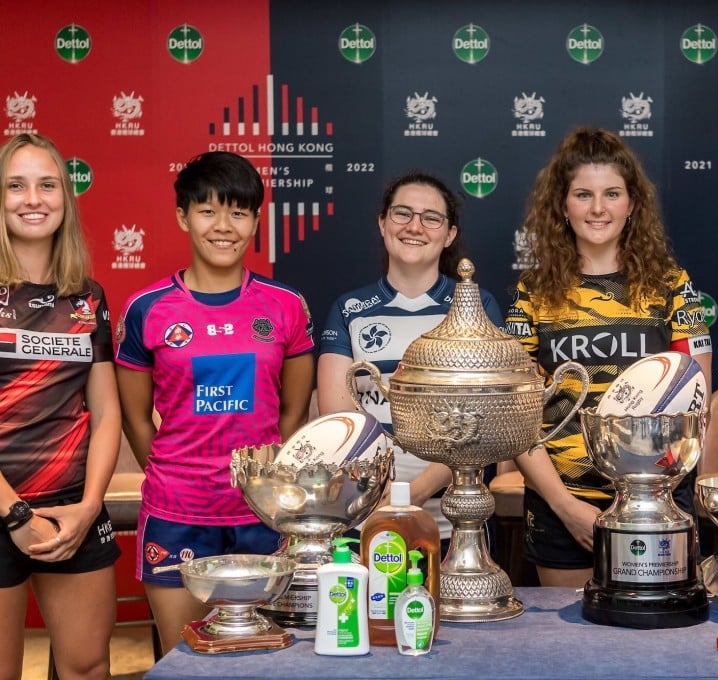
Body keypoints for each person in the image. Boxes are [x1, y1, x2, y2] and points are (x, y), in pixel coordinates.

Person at [115, 151, 314, 654]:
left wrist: (267, 485)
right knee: (185, 658)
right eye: (208, 211)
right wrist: (173, 476)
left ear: (255, 221)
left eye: (239, 213)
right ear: (183, 216)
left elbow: (293, 413)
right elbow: (136, 419)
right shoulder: (147, 309)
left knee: (265, 660)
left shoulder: (286, 306)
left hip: (261, 516)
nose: (223, 227)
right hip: (178, 511)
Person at [504, 127, 712, 588]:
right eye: (583, 194)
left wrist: (653, 498)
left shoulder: (671, 285)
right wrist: (565, 506)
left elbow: (696, 405)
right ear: (562, 205)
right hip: (562, 501)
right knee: (575, 650)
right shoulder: (532, 292)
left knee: (654, 646)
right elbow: (517, 414)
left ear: (632, 203)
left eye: (612, 194)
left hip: (656, 501)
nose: (598, 209)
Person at [317, 171, 504, 542]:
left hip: (456, 518)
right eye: (402, 213)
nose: (415, 226)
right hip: (366, 512)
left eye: (431, 217)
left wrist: (414, 492)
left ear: (449, 234)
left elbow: (489, 417)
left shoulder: (476, 306)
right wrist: (377, 494)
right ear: (382, 222)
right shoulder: (350, 309)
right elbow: (339, 419)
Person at [0, 133, 122, 680]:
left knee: (88, 667)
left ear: (65, 199)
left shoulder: (87, 296)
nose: (33, 198)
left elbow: (106, 410)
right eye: (16, 185)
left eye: (47, 185)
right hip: (2, 507)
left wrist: (91, 504)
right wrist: (15, 515)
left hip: (72, 509)